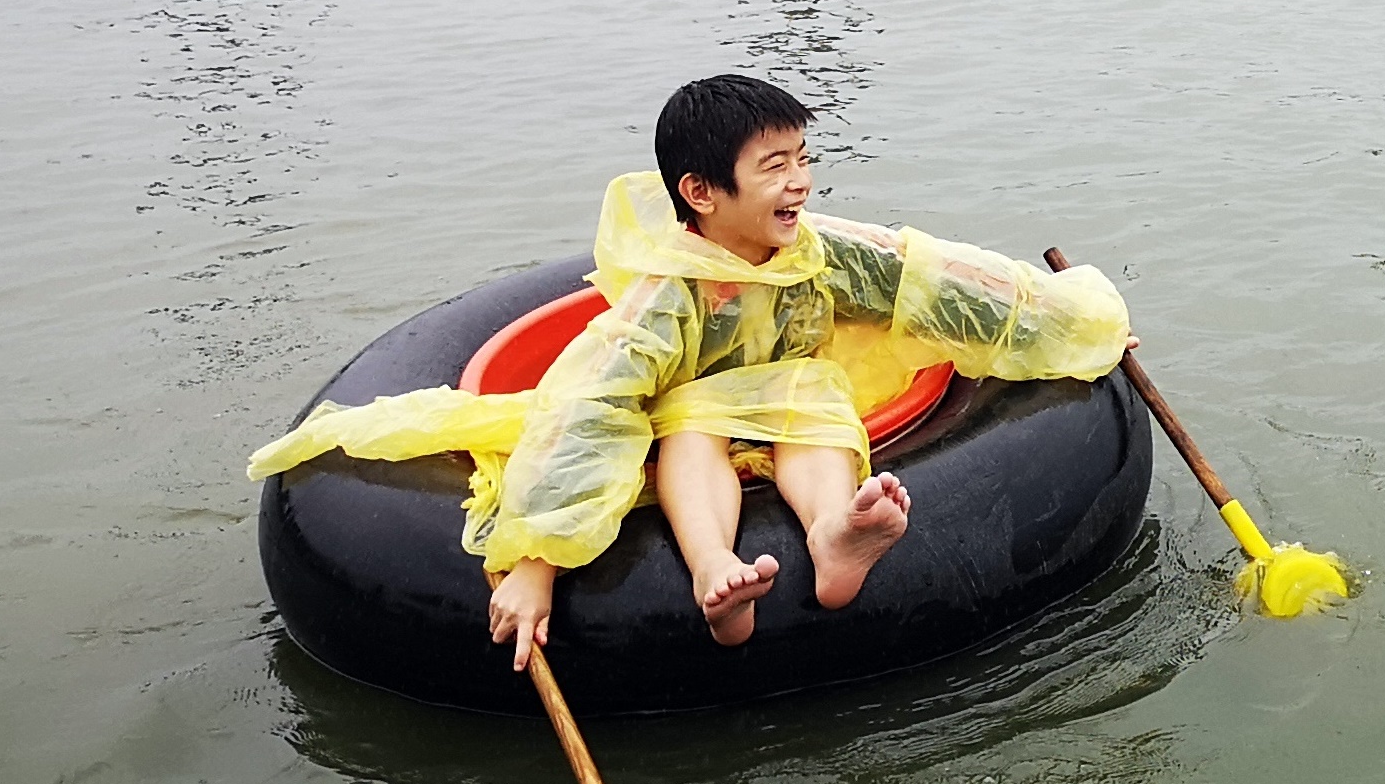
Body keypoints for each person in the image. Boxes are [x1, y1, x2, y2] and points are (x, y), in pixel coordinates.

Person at [247, 74, 1133, 669]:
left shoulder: (820, 255)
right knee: (692, 422)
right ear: (702, 192)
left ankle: (833, 535)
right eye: (773, 167)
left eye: (802, 161)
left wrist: (1078, 328)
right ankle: (715, 574)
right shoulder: (666, 299)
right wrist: (540, 560)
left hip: (791, 411)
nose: (799, 184)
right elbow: (591, 405)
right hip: (686, 433)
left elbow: (933, 279)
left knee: (815, 401)